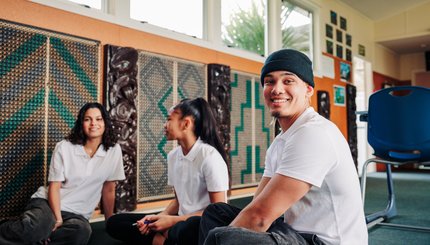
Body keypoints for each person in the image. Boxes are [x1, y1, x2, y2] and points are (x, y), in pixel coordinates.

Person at [199, 49, 368, 245]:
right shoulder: (282, 140)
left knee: (224, 236)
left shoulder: (314, 133)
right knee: (216, 213)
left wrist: (226, 236)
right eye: (269, 81)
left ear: (308, 90)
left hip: (326, 242)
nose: (277, 89)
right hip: (294, 233)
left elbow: (260, 217)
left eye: (288, 81)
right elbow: (258, 203)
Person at [106, 97, 230, 245]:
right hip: (179, 220)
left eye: (169, 119)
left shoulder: (210, 157)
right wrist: (158, 217)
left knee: (185, 230)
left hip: (200, 224)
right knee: (115, 222)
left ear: (186, 123)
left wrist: (171, 221)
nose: (165, 125)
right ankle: (163, 238)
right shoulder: (173, 156)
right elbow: (179, 201)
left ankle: (163, 238)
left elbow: (217, 214)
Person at [0, 102, 125, 244]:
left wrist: (109, 220)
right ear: (81, 123)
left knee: (82, 232)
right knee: (36, 227)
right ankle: (25, 231)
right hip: (48, 203)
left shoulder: (114, 150)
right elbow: (54, 187)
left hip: (78, 214)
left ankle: (40, 238)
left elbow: (109, 189)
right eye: (87, 119)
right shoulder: (64, 147)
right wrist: (57, 218)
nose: (93, 124)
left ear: (105, 123)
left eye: (98, 119)